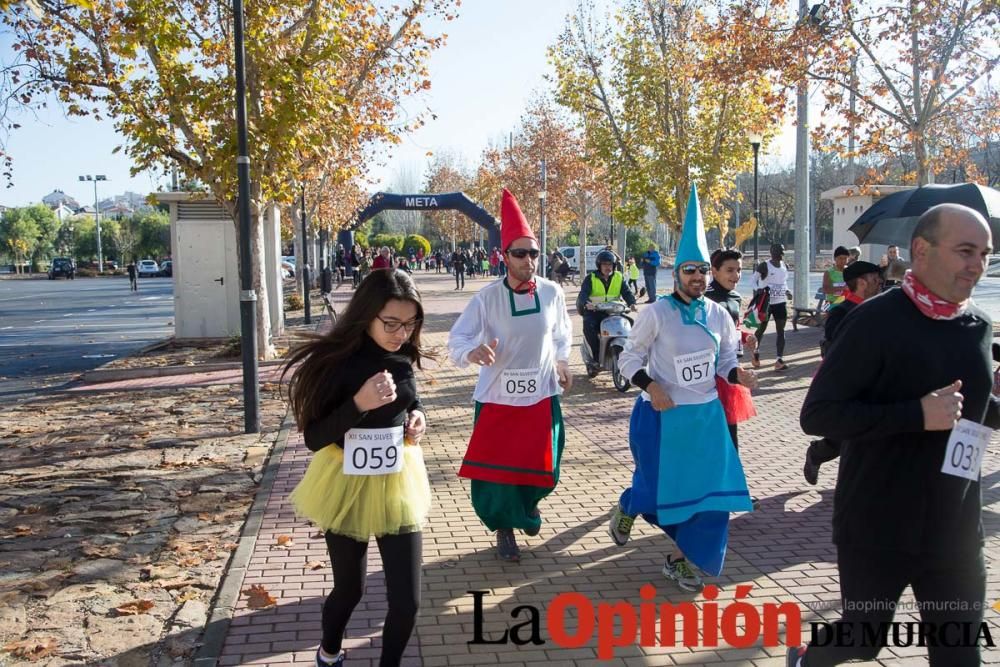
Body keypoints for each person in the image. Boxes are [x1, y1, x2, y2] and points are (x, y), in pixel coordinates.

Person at [787, 204, 999, 667]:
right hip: (879, 524)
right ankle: (805, 659)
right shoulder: (875, 322)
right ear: (920, 250)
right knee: (862, 641)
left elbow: (975, 410)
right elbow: (818, 414)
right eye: (965, 251)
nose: (977, 265)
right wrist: (915, 415)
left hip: (956, 527)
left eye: (984, 253)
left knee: (962, 656)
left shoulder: (977, 327)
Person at [282, 269, 433, 667]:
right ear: (366, 314)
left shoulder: (401, 356)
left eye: (410, 323)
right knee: (350, 590)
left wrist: (417, 416)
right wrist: (359, 404)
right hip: (344, 480)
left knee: (408, 601)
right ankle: (329, 651)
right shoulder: (335, 363)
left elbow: (410, 399)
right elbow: (314, 438)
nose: (401, 333)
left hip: (397, 479)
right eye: (391, 323)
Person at [610, 186, 756, 591]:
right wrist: (651, 385)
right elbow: (628, 359)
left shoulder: (718, 314)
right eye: (689, 269)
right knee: (658, 494)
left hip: (705, 418)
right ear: (676, 273)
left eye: (702, 271)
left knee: (712, 498)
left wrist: (736, 375)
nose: (696, 277)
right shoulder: (656, 313)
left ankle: (682, 560)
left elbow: (726, 359)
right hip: (661, 416)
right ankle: (630, 503)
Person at [448, 188, 573, 562]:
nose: (528, 260)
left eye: (533, 253)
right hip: (498, 397)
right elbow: (458, 337)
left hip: (541, 395)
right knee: (497, 474)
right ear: (504, 257)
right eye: (519, 253)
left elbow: (562, 334)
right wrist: (471, 351)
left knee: (545, 466)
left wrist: (563, 363)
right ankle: (505, 527)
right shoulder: (486, 299)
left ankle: (528, 506)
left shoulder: (552, 293)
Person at [802, 260, 882, 486]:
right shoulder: (840, 312)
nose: (880, 284)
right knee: (848, 432)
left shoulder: (880, 310)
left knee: (862, 431)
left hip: (874, 382)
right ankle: (818, 453)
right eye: (876, 280)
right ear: (862, 283)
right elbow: (836, 349)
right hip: (847, 384)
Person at [705, 248, 760, 510]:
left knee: (730, 437)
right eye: (730, 270)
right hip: (706, 379)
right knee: (712, 439)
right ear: (714, 271)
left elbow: (731, 331)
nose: (736, 275)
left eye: (739, 270)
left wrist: (746, 336)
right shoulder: (704, 299)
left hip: (730, 376)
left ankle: (733, 491)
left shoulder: (735, 297)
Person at [576, 249, 637, 372]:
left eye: (610, 264)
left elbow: (626, 292)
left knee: (632, 325)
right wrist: (587, 304)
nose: (607, 267)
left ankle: (633, 356)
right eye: (604, 264)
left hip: (614, 311)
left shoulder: (619, 277)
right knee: (589, 326)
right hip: (594, 312)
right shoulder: (591, 278)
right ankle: (595, 358)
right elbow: (583, 294)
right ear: (599, 265)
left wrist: (632, 303)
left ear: (614, 266)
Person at [751, 243, 791, 371]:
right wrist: (758, 290)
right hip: (766, 303)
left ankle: (779, 360)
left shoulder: (785, 266)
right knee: (761, 329)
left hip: (780, 303)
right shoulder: (764, 266)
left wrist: (787, 291)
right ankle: (755, 352)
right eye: (778, 251)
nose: (781, 254)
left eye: (782, 252)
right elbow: (753, 280)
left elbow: (783, 282)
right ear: (772, 252)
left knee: (781, 331)